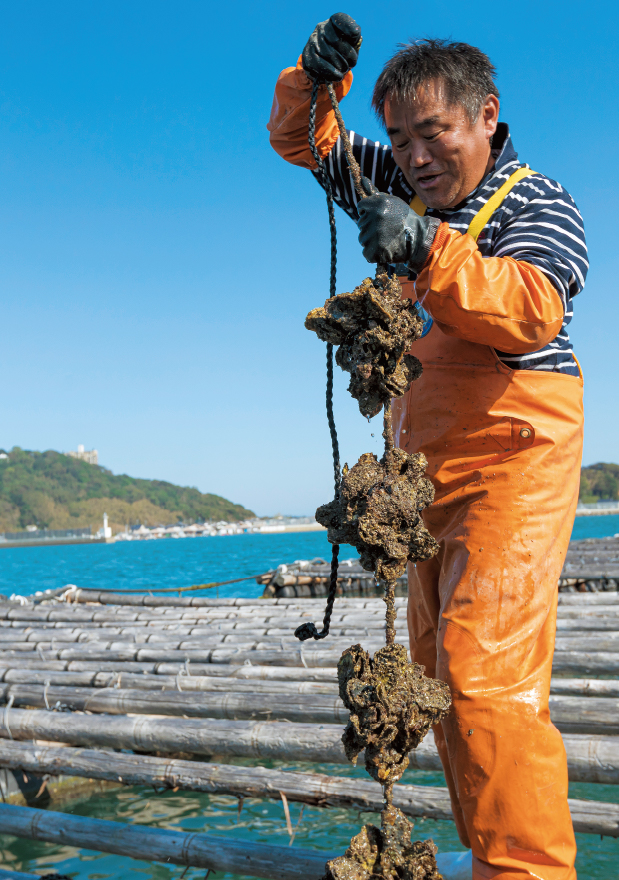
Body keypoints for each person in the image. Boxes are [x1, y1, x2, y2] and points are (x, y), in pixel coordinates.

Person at [268, 14, 587, 880]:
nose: (412, 155)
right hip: (418, 477)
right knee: (438, 679)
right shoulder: (395, 192)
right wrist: (311, 78)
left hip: (514, 454)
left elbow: (531, 309)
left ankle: (527, 870)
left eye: (433, 132)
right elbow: (306, 142)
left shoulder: (536, 202)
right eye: (400, 138)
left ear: (486, 116)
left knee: (486, 678)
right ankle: (491, 853)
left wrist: (428, 251)